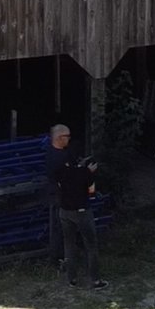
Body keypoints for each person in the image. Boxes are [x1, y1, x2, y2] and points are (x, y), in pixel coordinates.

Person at [47, 123, 107, 290]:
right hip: (80, 209)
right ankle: (95, 279)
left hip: (64, 209)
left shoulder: (53, 158)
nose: (69, 139)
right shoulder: (75, 169)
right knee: (91, 244)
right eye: (67, 137)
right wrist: (88, 173)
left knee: (69, 244)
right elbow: (88, 188)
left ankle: (71, 279)